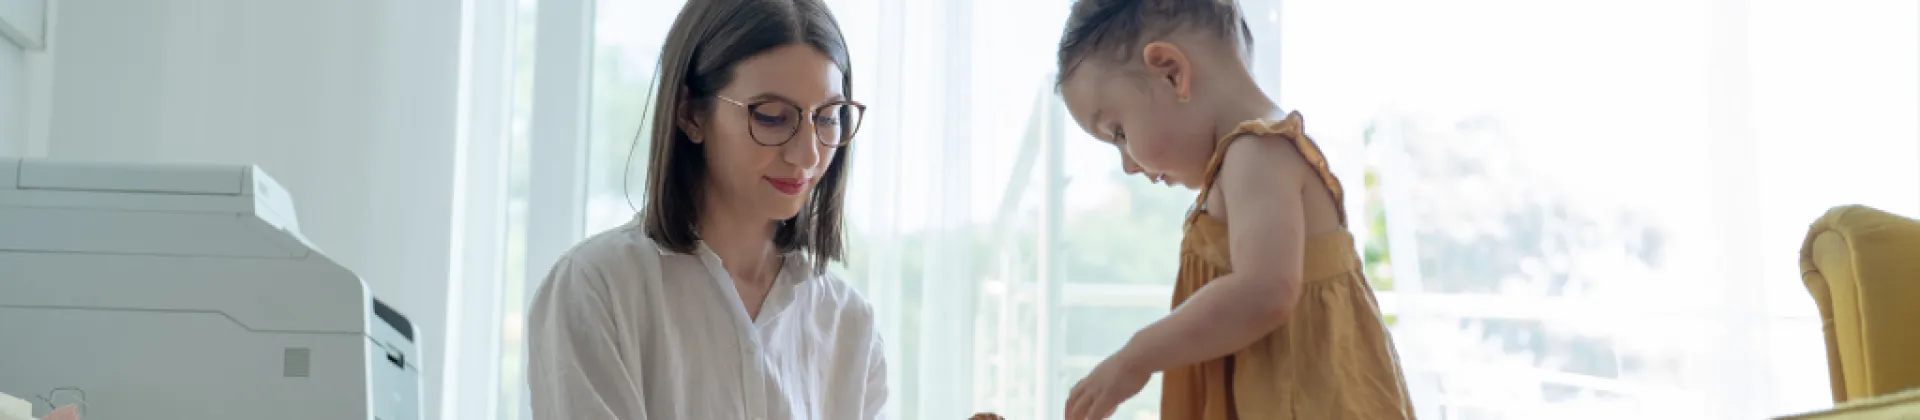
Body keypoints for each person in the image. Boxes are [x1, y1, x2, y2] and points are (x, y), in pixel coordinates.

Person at [1053, 0, 1415, 419]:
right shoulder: (1238, 162)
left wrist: (1137, 356)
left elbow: (1264, 290)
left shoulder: (1257, 151)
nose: (1128, 165)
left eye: (1118, 132)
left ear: (1171, 72)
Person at [525, 0, 885, 419]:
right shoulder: (597, 289)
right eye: (771, 117)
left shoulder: (847, 323)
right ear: (690, 113)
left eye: (827, 117)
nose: (806, 154)